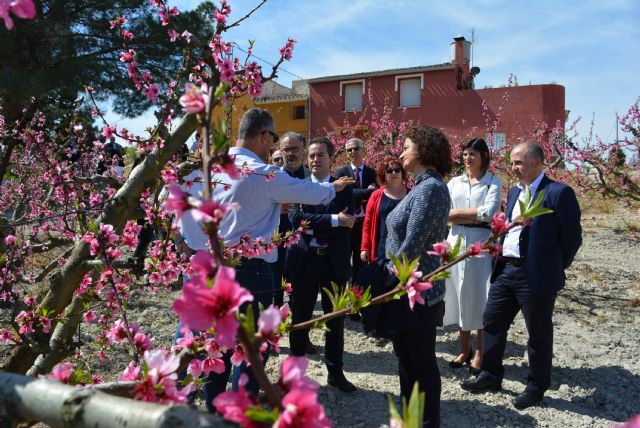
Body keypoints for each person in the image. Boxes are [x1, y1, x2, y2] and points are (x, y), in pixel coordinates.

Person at [175, 109, 355, 411]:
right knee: (249, 351)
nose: (273, 146)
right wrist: (332, 188)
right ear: (262, 136)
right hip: (251, 271)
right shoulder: (263, 172)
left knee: (215, 348)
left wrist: (199, 248)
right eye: (272, 138)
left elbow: (186, 222)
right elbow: (307, 191)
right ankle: (240, 412)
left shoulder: (208, 169)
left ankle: (216, 411)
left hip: (211, 269)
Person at [461, 141, 582, 410]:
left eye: (517, 162)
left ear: (537, 162)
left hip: (535, 276)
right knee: (492, 321)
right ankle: (490, 375)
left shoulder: (558, 193)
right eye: (512, 162)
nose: (512, 167)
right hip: (506, 270)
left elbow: (572, 237)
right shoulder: (515, 192)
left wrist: (553, 265)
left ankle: (537, 386)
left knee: (538, 333)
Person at [384, 125, 452, 427]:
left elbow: (412, 246)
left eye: (407, 146)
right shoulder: (424, 187)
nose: (401, 152)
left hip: (418, 292)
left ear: (424, 151)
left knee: (420, 364)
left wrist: (382, 275)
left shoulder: (432, 189)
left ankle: (426, 422)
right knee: (407, 360)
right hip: (407, 287)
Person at [285, 137, 358, 392]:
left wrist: (319, 224)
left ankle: (335, 372)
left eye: (321, 156)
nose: (315, 160)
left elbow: (347, 224)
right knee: (301, 317)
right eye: (312, 156)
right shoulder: (299, 186)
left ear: (331, 159)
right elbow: (296, 219)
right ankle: (294, 374)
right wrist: (333, 220)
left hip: (333, 262)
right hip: (305, 262)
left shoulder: (345, 187)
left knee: (334, 320)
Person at [444, 138, 502, 375]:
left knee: (480, 295)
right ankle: (464, 348)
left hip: (481, 243)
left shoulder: (492, 182)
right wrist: (467, 216)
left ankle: (480, 351)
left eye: (473, 154)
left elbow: (489, 213)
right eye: (465, 154)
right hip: (456, 241)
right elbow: (445, 214)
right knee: (459, 294)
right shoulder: (454, 182)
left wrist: (457, 214)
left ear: (484, 156)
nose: (468, 158)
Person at [336, 138, 377, 282]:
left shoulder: (372, 173)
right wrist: (366, 192)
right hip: (347, 223)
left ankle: (358, 292)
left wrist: (354, 192)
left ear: (363, 149)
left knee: (361, 261)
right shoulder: (341, 172)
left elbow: (376, 193)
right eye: (349, 150)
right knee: (344, 260)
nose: (352, 152)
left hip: (364, 223)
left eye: (355, 148)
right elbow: (346, 194)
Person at [360, 157, 407, 264]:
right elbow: (367, 223)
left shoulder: (411, 194)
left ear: (402, 173)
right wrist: (364, 247)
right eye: (389, 171)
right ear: (384, 175)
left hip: (404, 246)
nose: (394, 173)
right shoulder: (376, 195)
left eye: (397, 170)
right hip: (380, 246)